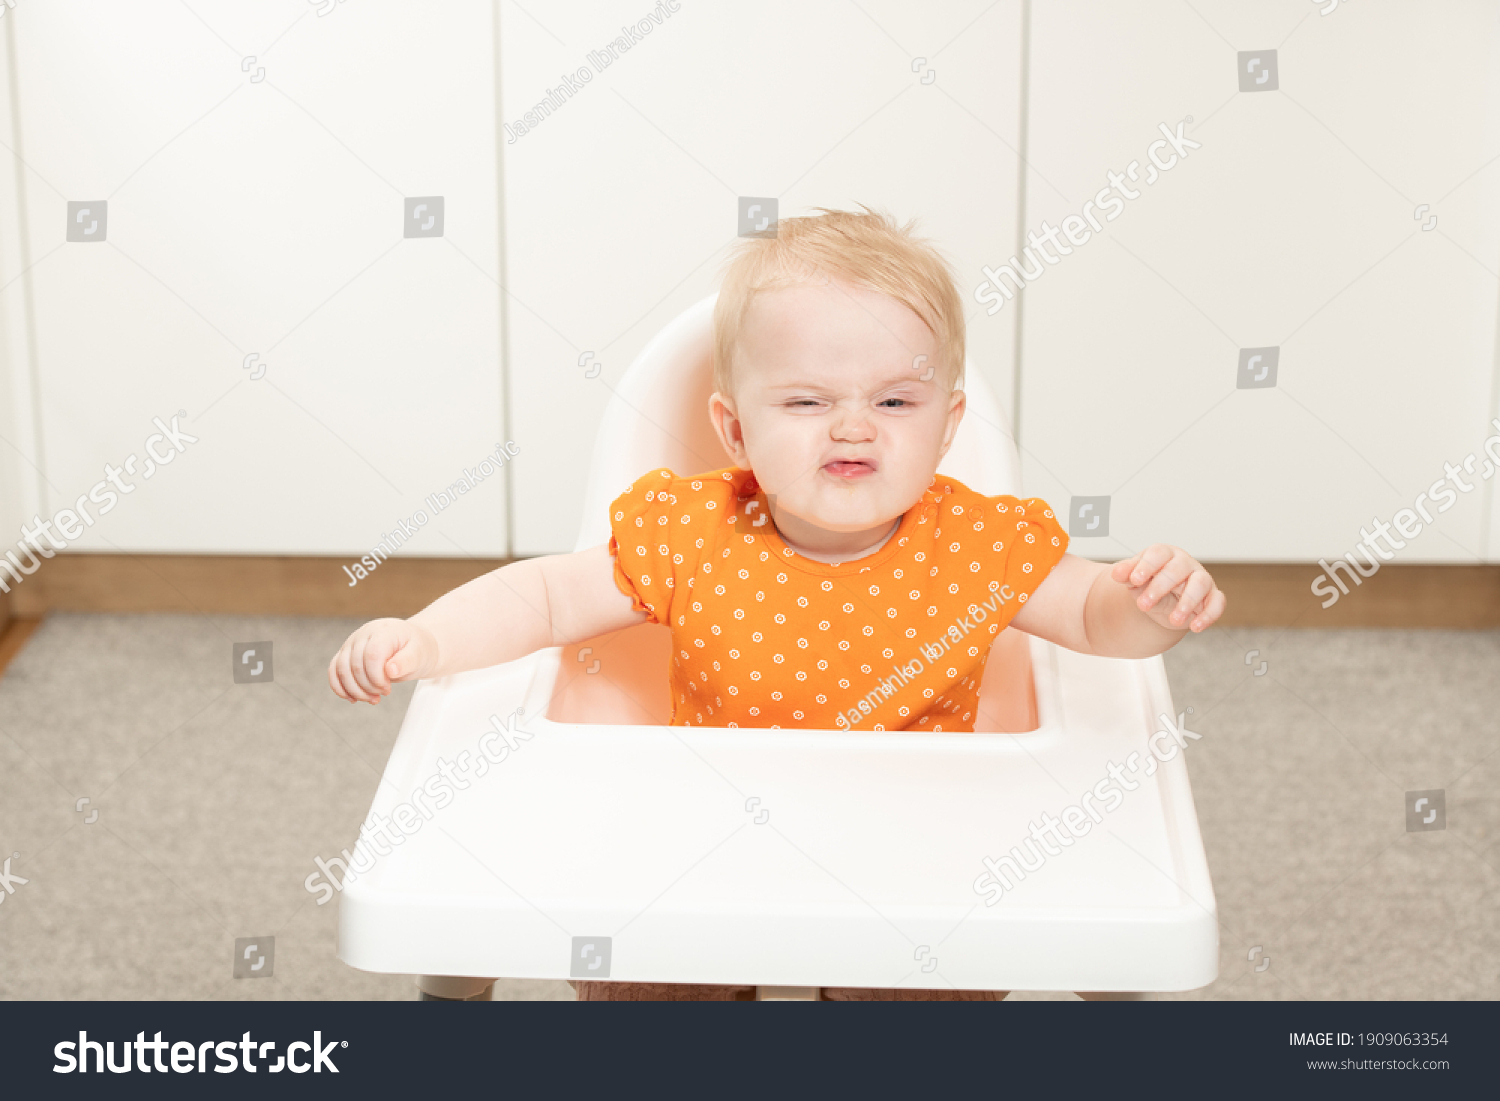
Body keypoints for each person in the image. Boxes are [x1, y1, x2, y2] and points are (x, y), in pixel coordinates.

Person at [327, 206, 1226, 1001]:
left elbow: (1090, 618)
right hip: (708, 846)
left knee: (930, 986)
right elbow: (545, 596)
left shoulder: (975, 543)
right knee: (642, 957)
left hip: (913, 853)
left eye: (894, 399)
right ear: (734, 429)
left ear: (948, 425)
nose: (852, 424)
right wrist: (425, 637)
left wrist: (1148, 604)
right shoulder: (693, 532)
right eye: (805, 399)